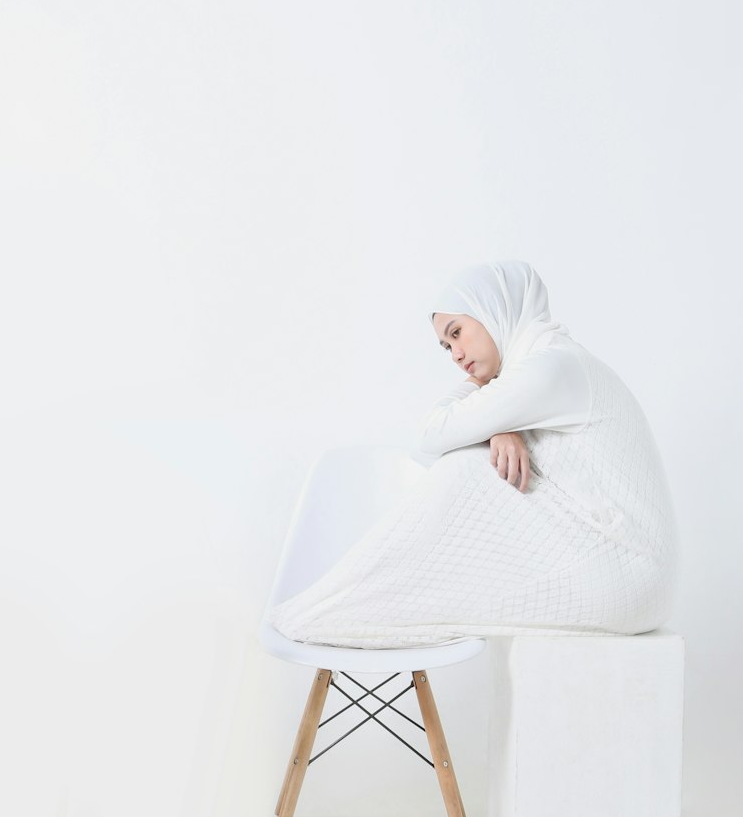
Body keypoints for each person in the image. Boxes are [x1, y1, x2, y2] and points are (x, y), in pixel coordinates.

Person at [266, 258, 680, 648]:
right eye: (446, 347)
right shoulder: (542, 366)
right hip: (624, 563)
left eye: (458, 332)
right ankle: (352, 603)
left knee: (467, 465)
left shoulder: (553, 366)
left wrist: (493, 420)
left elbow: (432, 433)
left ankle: (342, 605)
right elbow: (438, 433)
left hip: (629, 570)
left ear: (494, 310)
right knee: (473, 458)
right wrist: (496, 423)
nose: (456, 355)